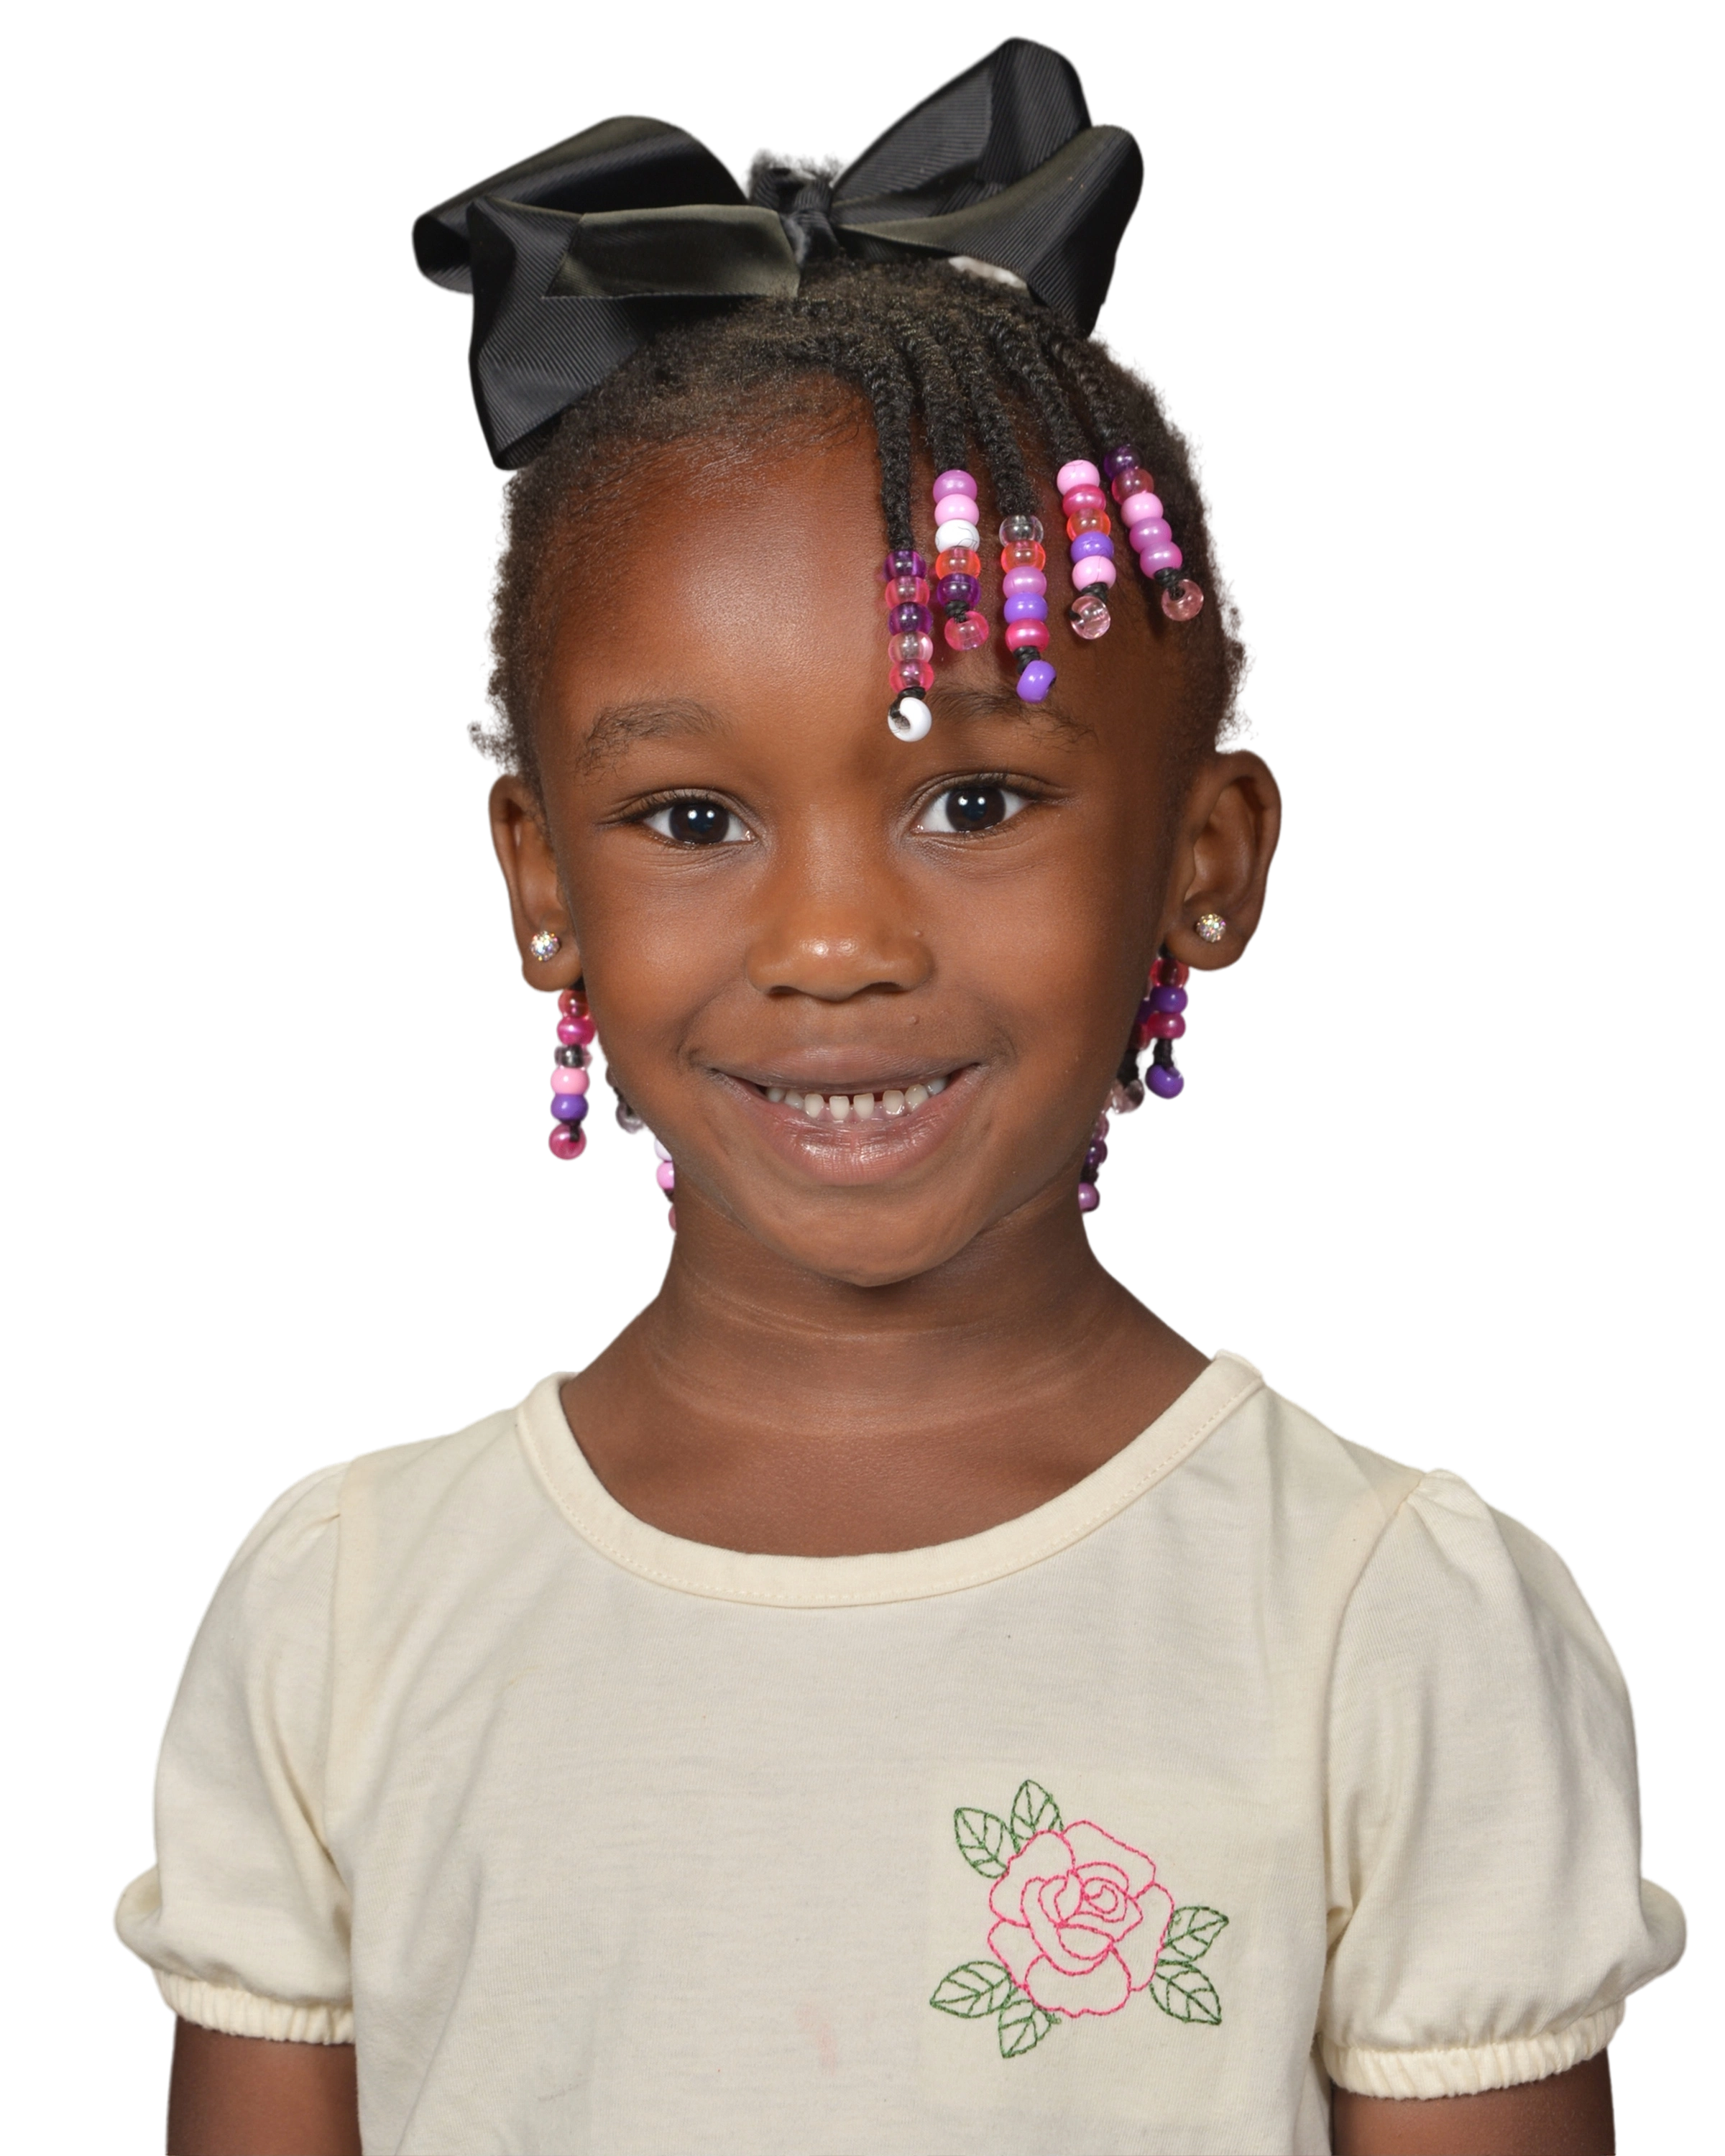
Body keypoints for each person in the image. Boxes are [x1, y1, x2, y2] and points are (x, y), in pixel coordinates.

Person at [111, 37, 1685, 2156]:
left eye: (975, 799)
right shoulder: (350, 1615)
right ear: (538, 881)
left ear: (1206, 858)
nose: (835, 941)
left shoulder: (1377, 1623)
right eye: (691, 817)